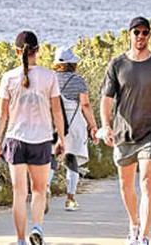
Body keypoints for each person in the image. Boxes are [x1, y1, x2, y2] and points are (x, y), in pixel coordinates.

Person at [100, 16, 151, 245]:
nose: (140, 36)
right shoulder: (117, 65)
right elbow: (106, 100)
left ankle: (144, 236)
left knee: (147, 182)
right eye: (136, 32)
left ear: (149, 35)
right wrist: (106, 125)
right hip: (124, 134)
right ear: (129, 34)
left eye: (144, 32)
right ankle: (134, 225)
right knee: (126, 185)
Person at [0, 31, 66, 245]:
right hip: (41, 140)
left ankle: (21, 240)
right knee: (40, 190)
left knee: (19, 193)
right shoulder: (49, 76)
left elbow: (2, 114)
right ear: (38, 50)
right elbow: (57, 111)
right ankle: (37, 227)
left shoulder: (8, 77)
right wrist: (61, 138)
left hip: (15, 140)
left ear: (17, 52)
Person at [50, 47, 98, 212]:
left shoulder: (50, 79)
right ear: (72, 63)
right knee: (72, 159)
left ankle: (45, 190)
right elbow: (85, 105)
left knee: (52, 158)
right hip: (74, 123)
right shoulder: (78, 80)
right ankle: (70, 199)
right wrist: (93, 125)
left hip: (53, 123)